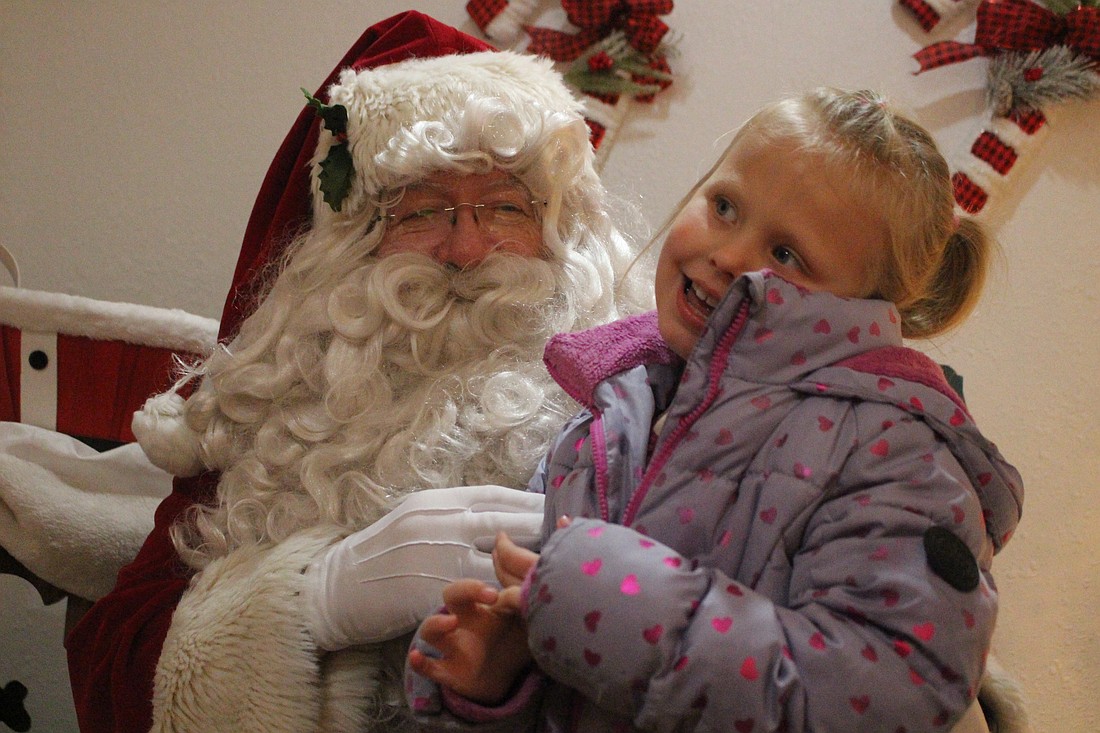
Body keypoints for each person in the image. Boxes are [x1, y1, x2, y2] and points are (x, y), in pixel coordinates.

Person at [64, 12, 650, 733]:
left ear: (564, 232)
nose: (466, 249)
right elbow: (110, 665)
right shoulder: (273, 401)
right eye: (423, 211)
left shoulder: (637, 406)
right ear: (351, 247)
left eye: (505, 206)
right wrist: (312, 601)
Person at [404, 87, 1025, 732]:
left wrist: (600, 600)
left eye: (786, 256)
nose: (728, 256)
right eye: (724, 206)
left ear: (863, 307)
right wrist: (495, 681)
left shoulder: (897, 456)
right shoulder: (616, 408)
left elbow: (890, 694)